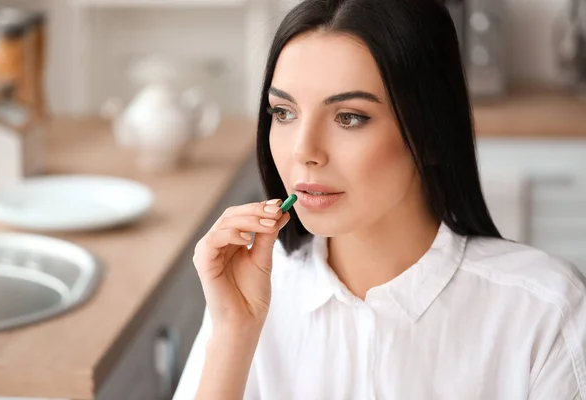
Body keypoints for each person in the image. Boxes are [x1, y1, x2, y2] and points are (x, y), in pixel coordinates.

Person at [173, 0, 586, 398]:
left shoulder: (546, 312)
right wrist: (233, 333)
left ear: (429, 134)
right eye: (284, 112)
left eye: (349, 117)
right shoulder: (250, 293)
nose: (303, 150)